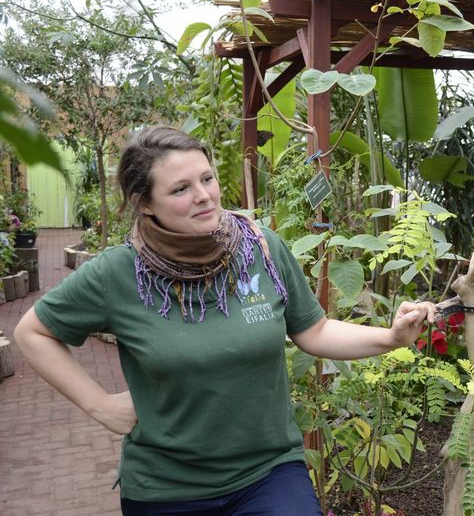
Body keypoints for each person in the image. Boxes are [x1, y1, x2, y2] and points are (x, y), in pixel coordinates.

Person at [14, 126, 436, 515]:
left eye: (207, 178)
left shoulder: (260, 248)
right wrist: (100, 405)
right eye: (181, 188)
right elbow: (32, 331)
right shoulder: (119, 273)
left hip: (268, 473)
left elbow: (315, 330)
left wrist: (392, 336)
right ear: (145, 203)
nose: (204, 195)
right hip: (167, 487)